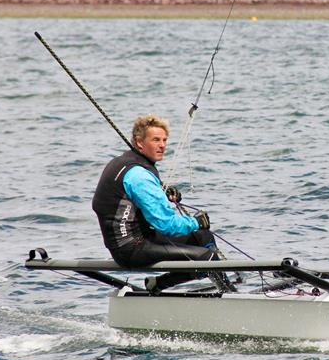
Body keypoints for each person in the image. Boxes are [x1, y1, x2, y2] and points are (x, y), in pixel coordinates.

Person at [92, 114, 232, 293]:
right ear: (139, 142)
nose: (162, 145)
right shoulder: (139, 176)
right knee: (208, 257)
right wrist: (196, 222)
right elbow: (166, 225)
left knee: (203, 237)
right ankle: (229, 295)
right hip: (130, 248)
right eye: (156, 140)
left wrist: (161, 192)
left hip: (142, 237)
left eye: (164, 140)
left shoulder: (125, 163)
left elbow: (130, 198)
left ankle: (160, 284)